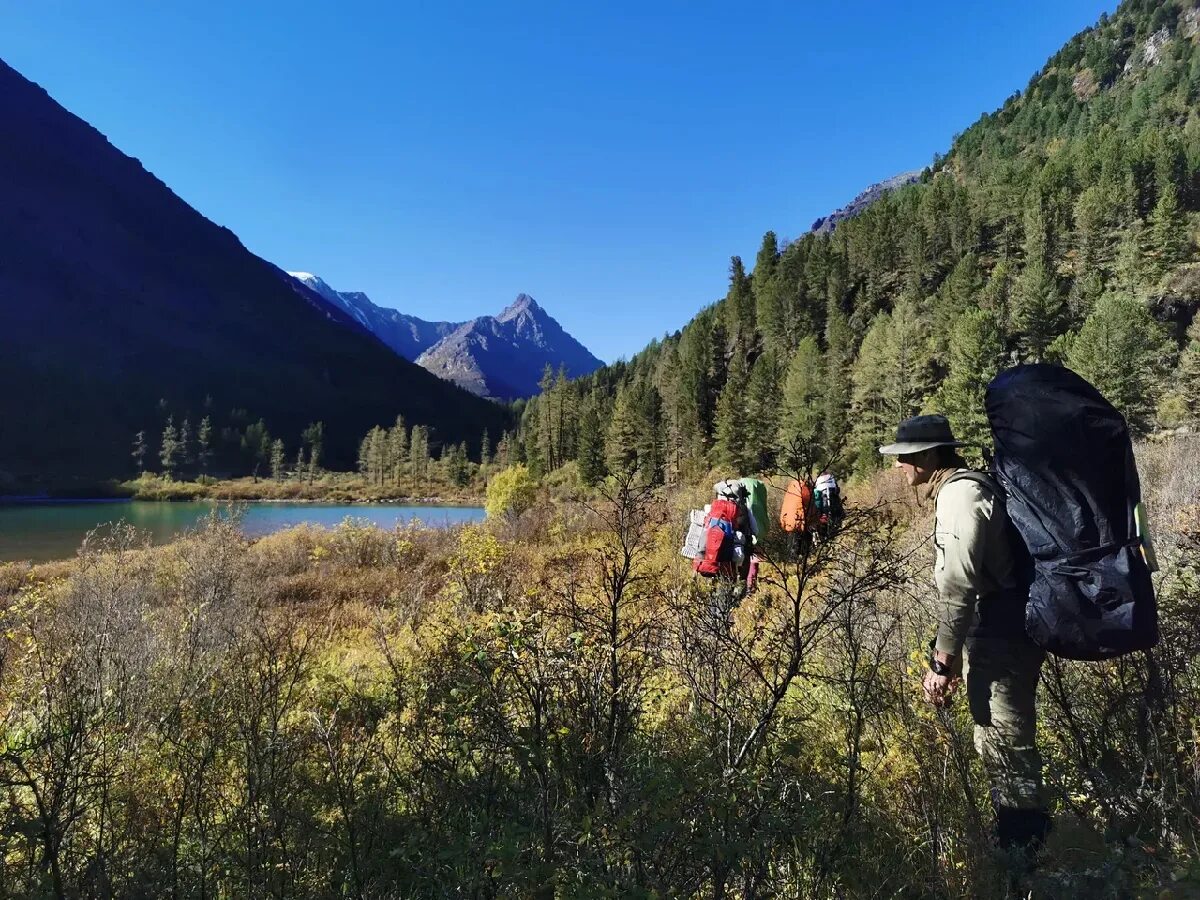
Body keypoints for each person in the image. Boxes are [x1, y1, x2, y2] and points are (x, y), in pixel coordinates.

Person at [879, 414, 1051, 864]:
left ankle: (1024, 858)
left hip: (1003, 629)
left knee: (1004, 740)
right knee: (1000, 737)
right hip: (1003, 626)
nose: (899, 467)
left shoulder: (960, 494)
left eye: (905, 458)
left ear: (931, 455)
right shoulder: (965, 487)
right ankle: (1023, 845)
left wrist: (942, 661)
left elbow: (958, 587)